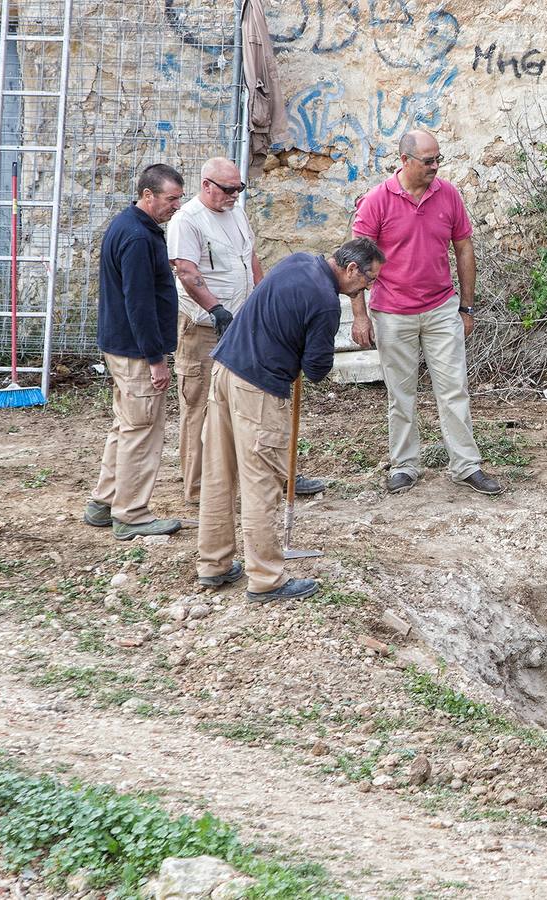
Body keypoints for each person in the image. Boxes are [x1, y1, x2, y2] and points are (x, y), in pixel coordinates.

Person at [194, 237, 383, 601]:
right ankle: (266, 578)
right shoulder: (326, 303)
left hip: (224, 370)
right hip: (259, 390)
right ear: (350, 269)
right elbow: (315, 369)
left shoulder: (298, 261)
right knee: (261, 482)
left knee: (219, 473)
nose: (368, 287)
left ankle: (213, 565)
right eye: (368, 279)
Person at [351, 128, 503, 497]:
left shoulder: (448, 194)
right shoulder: (376, 201)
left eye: (439, 159)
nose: (436, 167)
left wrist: (467, 305)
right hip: (392, 312)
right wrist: (360, 315)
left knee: (454, 389)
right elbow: (354, 260)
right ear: (405, 161)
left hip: (440, 308)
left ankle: (466, 465)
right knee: (400, 394)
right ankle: (404, 465)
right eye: (428, 161)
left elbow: (464, 249)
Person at [168, 157, 325, 505]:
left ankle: (277, 474)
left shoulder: (235, 211)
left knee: (256, 403)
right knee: (201, 408)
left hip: (244, 324)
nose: (234, 196)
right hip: (205, 327)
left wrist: (262, 297)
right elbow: (187, 271)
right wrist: (216, 309)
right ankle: (199, 491)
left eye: (239, 189)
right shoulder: (187, 221)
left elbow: (249, 255)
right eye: (227, 190)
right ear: (206, 185)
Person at [84, 164, 185, 540]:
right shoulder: (138, 238)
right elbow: (139, 303)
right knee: (142, 431)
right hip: (137, 352)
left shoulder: (128, 225)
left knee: (125, 426)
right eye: (170, 198)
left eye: (178, 197)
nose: (176, 205)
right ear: (148, 195)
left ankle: (104, 502)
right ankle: (131, 514)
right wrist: (156, 358)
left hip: (121, 346)